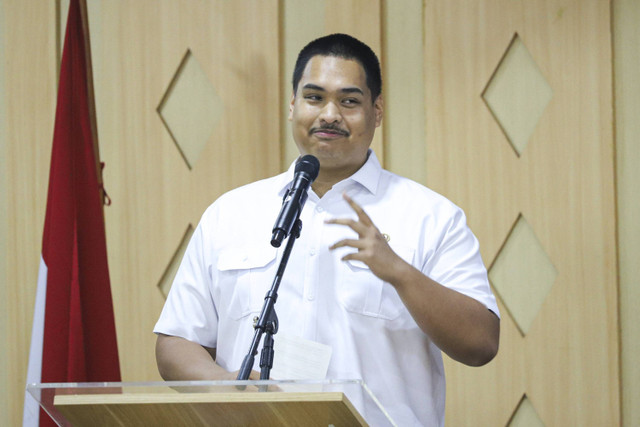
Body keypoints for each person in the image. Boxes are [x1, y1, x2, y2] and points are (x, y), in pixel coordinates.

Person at [154, 33, 500, 426]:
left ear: (377, 111)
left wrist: (400, 273)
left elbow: (481, 344)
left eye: (349, 101)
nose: (330, 114)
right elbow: (177, 341)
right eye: (314, 97)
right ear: (292, 105)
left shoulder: (429, 216)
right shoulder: (231, 213)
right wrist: (222, 386)